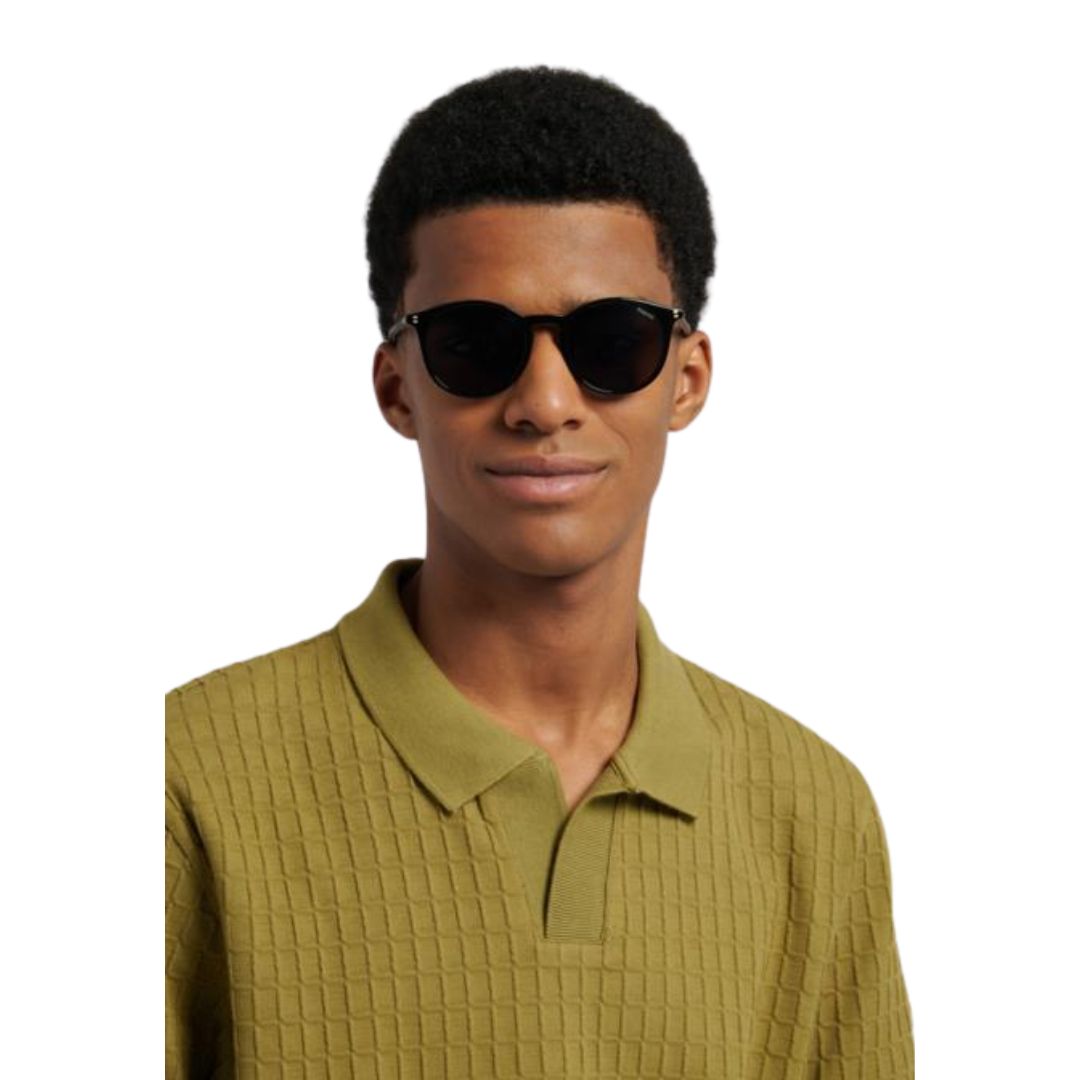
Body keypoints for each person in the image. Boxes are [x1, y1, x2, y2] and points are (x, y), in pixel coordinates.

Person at [166, 65, 914, 1079]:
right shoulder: (183, 780)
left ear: (687, 379)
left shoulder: (813, 815)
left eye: (613, 341)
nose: (545, 402)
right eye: (476, 344)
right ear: (397, 387)